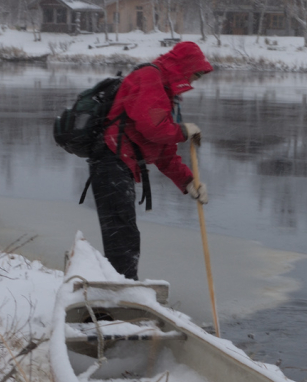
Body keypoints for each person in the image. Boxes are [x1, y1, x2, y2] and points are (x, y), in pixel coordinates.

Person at [89, 41, 214, 280]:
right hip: (110, 160)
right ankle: (122, 291)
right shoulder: (149, 78)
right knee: (122, 234)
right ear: (184, 67)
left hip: (120, 164)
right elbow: (153, 128)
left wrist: (189, 181)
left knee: (125, 233)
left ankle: (123, 287)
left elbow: (164, 152)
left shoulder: (165, 91)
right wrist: (182, 131)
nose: (195, 80)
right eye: (196, 74)